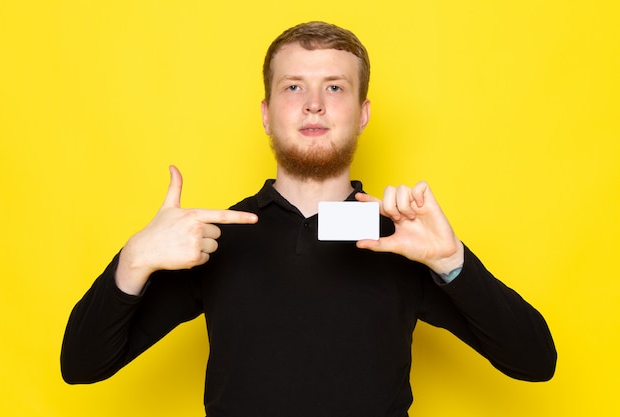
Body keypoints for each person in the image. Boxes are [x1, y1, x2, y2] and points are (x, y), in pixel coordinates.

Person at [61, 21, 556, 417]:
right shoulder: (215, 238)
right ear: (266, 111)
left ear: (362, 114)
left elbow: (535, 362)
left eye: (335, 87)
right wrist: (132, 262)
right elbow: (82, 367)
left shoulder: (402, 238)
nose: (314, 103)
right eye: (293, 86)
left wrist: (451, 260)